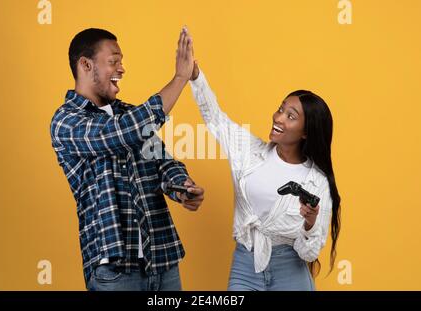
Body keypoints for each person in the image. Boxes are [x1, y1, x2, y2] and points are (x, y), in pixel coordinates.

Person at [50, 27, 204, 291]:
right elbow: (121, 132)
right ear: (86, 65)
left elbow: (164, 163)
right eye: (113, 61)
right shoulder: (66, 122)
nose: (122, 69)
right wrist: (180, 78)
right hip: (115, 273)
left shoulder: (130, 113)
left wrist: (181, 186)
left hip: (163, 261)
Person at [189, 61, 341, 291]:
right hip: (245, 265)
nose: (279, 118)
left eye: (291, 116)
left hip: (290, 272)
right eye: (281, 109)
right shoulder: (249, 152)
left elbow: (309, 254)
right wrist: (196, 76)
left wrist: (310, 224)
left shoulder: (317, 182)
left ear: (306, 132)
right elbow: (216, 119)